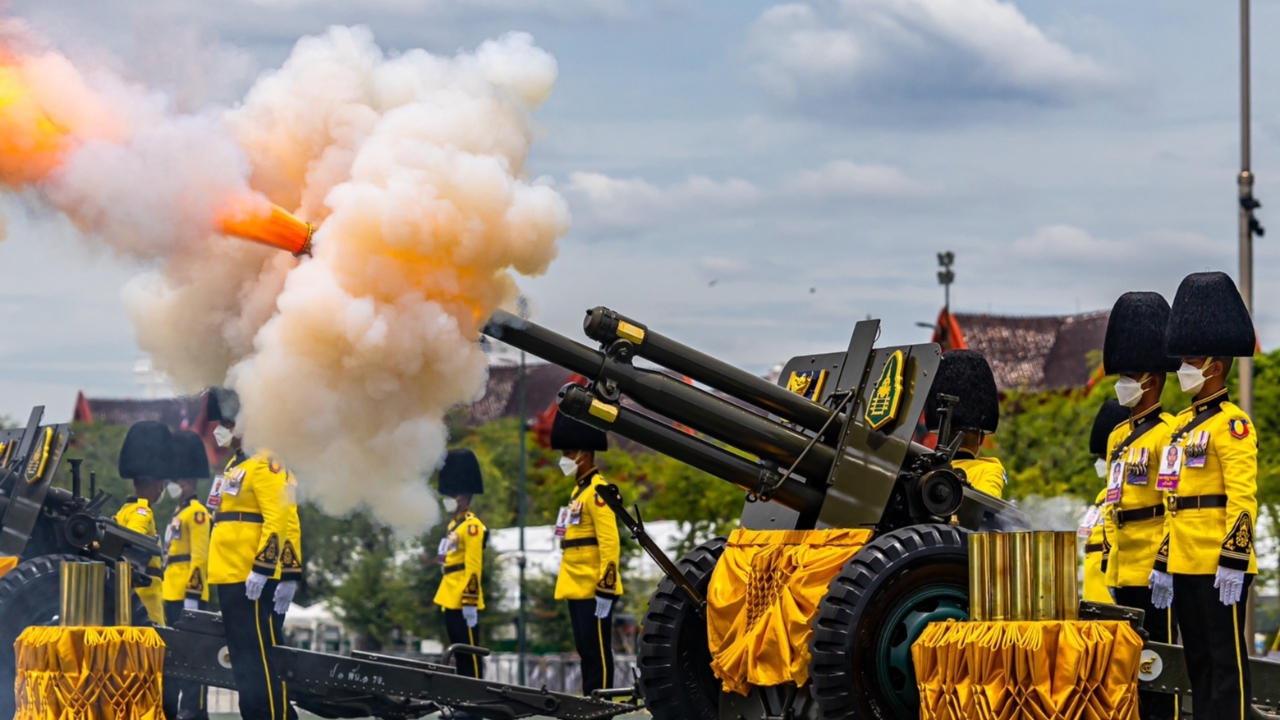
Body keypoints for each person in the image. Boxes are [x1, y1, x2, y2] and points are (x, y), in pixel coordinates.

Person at [1150, 271, 1258, 720]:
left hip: (1219, 562)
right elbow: (1172, 502)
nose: (1182, 370)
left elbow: (1242, 497)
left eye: (1191, 361)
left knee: (1224, 663)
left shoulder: (1232, 424)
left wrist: (1234, 558)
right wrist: (1163, 560)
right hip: (1184, 560)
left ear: (1214, 366)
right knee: (1197, 663)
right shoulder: (1178, 426)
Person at [1099, 291, 1180, 720]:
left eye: (1129, 375)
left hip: (1152, 565)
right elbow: (1113, 503)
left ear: (1151, 378)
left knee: (1158, 667)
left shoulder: (1169, 434)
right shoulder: (1117, 437)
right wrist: (1111, 557)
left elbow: (1173, 505)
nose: (1122, 383)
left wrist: (1164, 562)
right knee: (1127, 666)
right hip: (1123, 563)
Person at [205, 387, 302, 720]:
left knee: (259, 657)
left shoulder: (267, 461)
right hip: (229, 572)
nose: (222, 428)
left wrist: (265, 567)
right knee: (244, 659)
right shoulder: (236, 465)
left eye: (228, 421)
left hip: (250, 574)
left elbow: (280, 519)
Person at [549, 411, 621, 695]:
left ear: (585, 454)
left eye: (569, 453)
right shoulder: (577, 493)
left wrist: (607, 585)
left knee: (598, 651)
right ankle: (591, 700)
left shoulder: (598, 490)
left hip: (594, 585)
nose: (564, 459)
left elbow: (609, 541)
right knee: (585, 650)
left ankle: (601, 704)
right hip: (575, 583)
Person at [163, 429, 213, 720]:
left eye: (179, 479)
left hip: (187, 593)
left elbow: (200, 556)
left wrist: (193, 595)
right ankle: (175, 707)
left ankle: (195, 708)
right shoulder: (178, 512)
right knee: (175, 655)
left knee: (194, 656)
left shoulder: (197, 513)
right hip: (172, 590)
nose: (173, 484)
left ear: (190, 481)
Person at [431, 449, 488, 679]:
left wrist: (470, 600)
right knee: (459, 652)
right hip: (450, 594)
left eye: (451, 494)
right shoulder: (453, 526)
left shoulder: (472, 526)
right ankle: (464, 701)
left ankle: (474, 704)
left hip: (464, 597)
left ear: (461, 496)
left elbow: (473, 565)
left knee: (470, 652)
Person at [924, 349, 1006, 498]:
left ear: (939, 433)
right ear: (980, 438)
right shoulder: (988, 470)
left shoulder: (922, 470)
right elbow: (986, 507)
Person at [116, 420, 173, 625]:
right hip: (145, 601)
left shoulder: (125, 509)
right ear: (158, 485)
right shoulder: (143, 512)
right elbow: (132, 545)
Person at [1083, 399, 1128, 605]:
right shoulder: (1101, 498)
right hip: (1092, 598)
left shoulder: (1125, 493)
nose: (1100, 463)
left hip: (1113, 596)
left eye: (1104, 456)